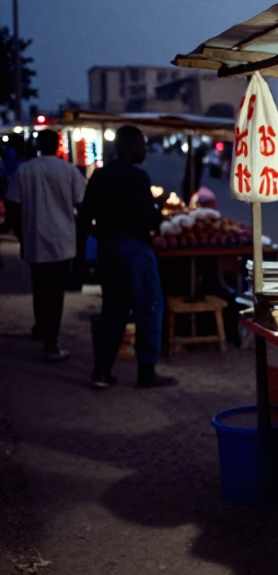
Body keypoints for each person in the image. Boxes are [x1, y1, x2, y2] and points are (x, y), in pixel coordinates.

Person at [79, 125, 176, 389]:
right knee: (149, 307)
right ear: (130, 147)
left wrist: (81, 255)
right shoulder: (138, 177)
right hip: (135, 249)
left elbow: (85, 216)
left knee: (113, 310)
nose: (144, 149)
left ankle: (101, 371)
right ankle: (147, 372)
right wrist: (159, 208)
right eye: (142, 144)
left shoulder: (99, 176)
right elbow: (149, 219)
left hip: (107, 249)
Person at [5, 130, 88, 361]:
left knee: (40, 289)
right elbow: (83, 205)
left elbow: (12, 205)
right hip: (62, 241)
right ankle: (51, 342)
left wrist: (20, 233)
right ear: (58, 145)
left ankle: (42, 330)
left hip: (35, 238)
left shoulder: (25, 170)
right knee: (56, 292)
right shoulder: (69, 171)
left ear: (38, 145)